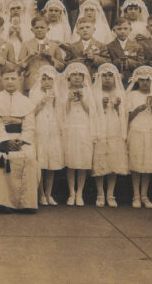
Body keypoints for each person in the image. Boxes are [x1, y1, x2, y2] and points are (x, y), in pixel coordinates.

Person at [0, 68, 40, 212]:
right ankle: (3, 203)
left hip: (22, 139)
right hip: (2, 139)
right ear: (2, 80)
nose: (10, 82)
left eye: (13, 79)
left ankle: (26, 203)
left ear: (19, 80)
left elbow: (29, 125)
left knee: (29, 158)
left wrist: (21, 141)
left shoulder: (27, 101)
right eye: (6, 79)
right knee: (2, 157)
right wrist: (5, 141)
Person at [92, 63, 129, 208]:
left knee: (113, 160)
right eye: (104, 76)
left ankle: (110, 194)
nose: (107, 79)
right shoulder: (95, 94)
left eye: (110, 76)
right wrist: (101, 105)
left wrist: (118, 106)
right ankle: (100, 193)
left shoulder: (120, 94)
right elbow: (92, 113)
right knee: (101, 159)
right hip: (101, 128)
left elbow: (123, 115)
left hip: (114, 128)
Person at [60, 63, 94, 206]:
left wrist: (82, 99)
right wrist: (68, 100)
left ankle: (80, 192)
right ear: (69, 77)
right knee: (72, 161)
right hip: (70, 127)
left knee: (82, 161)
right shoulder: (63, 91)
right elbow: (62, 112)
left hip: (84, 127)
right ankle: (71, 192)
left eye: (80, 75)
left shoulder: (88, 91)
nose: (77, 77)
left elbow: (91, 112)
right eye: (74, 75)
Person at [29, 65, 64, 206]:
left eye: (49, 79)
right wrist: (41, 103)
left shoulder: (57, 93)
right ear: (40, 80)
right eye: (44, 79)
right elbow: (31, 113)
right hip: (40, 127)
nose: (47, 82)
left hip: (53, 128)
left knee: (51, 162)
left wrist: (55, 101)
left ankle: (49, 194)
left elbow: (60, 112)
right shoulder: (34, 93)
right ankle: (41, 193)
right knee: (41, 161)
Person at [126, 66, 152, 208]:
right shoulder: (132, 95)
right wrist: (137, 110)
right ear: (138, 81)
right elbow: (128, 117)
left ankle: (145, 195)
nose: (145, 83)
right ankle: (136, 195)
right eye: (142, 80)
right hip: (137, 130)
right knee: (136, 162)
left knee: (148, 163)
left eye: (148, 80)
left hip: (151, 130)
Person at [107, 18, 144, 84]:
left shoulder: (137, 46)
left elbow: (141, 64)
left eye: (125, 28)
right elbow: (108, 63)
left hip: (132, 79)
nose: (122, 31)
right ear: (114, 30)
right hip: (115, 79)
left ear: (130, 30)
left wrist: (128, 62)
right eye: (119, 29)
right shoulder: (109, 46)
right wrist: (118, 62)